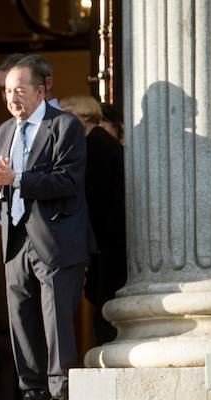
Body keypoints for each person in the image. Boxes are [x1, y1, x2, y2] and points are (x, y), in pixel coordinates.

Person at [0, 55, 91, 400]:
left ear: (41, 91)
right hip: (15, 239)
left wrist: (17, 179)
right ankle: (32, 390)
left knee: (56, 316)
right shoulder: (4, 130)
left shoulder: (64, 126)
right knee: (20, 316)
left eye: (20, 90)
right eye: (7, 91)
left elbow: (68, 181)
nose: (12, 98)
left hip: (55, 237)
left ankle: (61, 388)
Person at [60, 95, 126, 346]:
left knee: (106, 310)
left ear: (84, 117)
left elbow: (97, 199)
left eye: (67, 116)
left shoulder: (96, 145)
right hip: (107, 240)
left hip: (109, 242)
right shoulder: (95, 143)